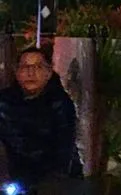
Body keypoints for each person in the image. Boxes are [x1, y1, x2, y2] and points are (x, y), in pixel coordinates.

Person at [0, 47, 83, 188]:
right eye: (25, 67)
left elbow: (64, 147)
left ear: (49, 72)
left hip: (55, 177)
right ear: (17, 72)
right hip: (15, 176)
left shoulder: (60, 103)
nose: (30, 73)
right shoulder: (5, 102)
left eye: (38, 67)